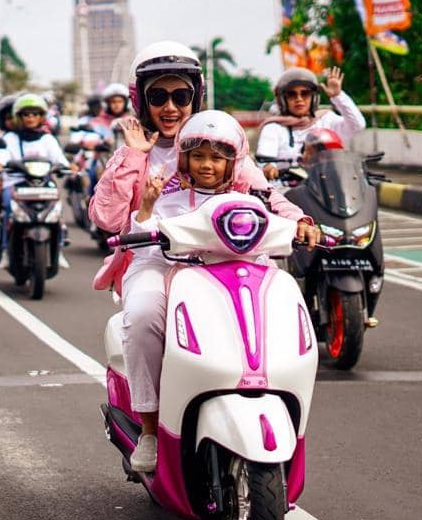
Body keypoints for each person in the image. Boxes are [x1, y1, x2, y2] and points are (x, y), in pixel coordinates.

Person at [122, 110, 317, 472]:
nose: (207, 165)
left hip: (241, 283)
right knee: (143, 317)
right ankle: (150, 429)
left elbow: (278, 211)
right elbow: (146, 246)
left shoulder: (251, 201)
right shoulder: (169, 200)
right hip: (188, 282)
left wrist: (301, 224)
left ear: (234, 163)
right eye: (198, 156)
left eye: (216, 157)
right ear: (184, 159)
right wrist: (147, 208)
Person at [89, 40, 317, 294]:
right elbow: (108, 219)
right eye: (158, 97)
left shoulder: (219, 143)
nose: (170, 107)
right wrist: (133, 155)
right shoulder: (130, 156)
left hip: (229, 258)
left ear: (195, 98)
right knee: (144, 314)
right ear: (141, 100)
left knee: (280, 296)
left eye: (181, 96)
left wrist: (298, 220)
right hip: (157, 263)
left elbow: (264, 193)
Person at [0, 93, 69, 250]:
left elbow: (59, 158)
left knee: (55, 201)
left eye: (35, 114)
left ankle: (60, 236)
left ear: (42, 117)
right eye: (26, 114)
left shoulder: (48, 139)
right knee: (7, 202)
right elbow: (1, 156)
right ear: (18, 117)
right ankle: (5, 248)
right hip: (14, 182)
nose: (30, 118)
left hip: (43, 183)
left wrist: (64, 166)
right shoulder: (10, 138)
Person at [256, 67, 365, 179]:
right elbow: (265, 160)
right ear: (282, 99)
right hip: (286, 189)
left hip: (327, 187)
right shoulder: (273, 128)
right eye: (291, 94)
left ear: (313, 97)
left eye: (305, 93)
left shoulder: (326, 119)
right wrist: (269, 167)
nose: (299, 99)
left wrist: (338, 96)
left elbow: (357, 125)